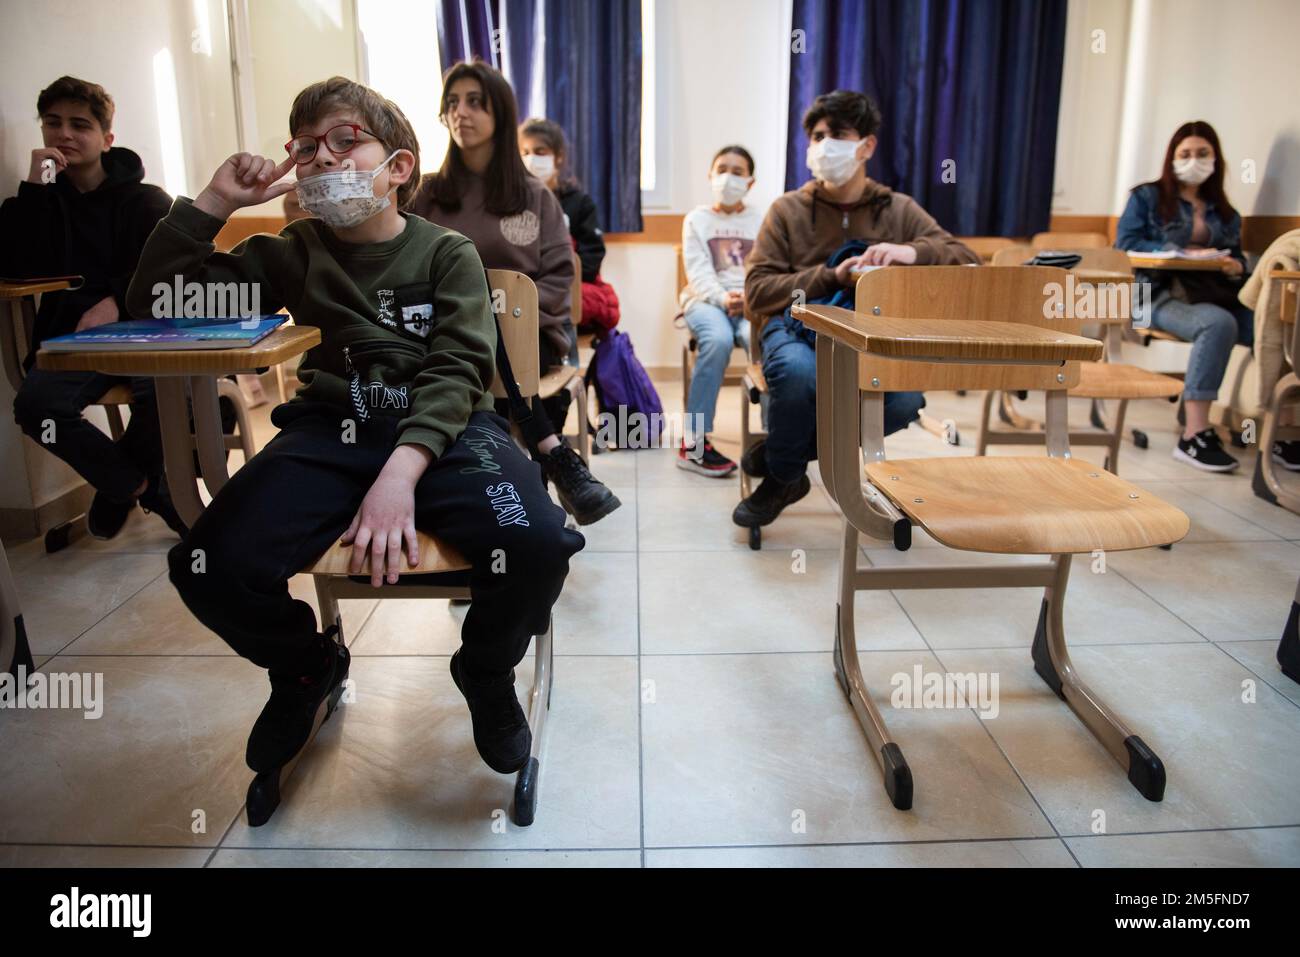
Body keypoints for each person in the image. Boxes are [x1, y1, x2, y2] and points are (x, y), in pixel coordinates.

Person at [129, 76, 584, 778]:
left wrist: (401, 471)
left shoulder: (445, 253)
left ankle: (485, 671)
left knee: (540, 545)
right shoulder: (291, 250)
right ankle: (307, 668)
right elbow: (160, 301)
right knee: (206, 565)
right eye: (306, 149)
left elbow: (461, 364)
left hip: (453, 430)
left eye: (346, 141)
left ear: (398, 167)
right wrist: (217, 201)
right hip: (329, 430)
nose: (323, 159)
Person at [737, 89, 978, 528]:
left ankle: (783, 458)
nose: (824, 144)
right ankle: (785, 476)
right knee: (800, 376)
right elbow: (757, 291)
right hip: (797, 327)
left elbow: (965, 258)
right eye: (816, 135)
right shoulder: (787, 210)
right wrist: (830, 276)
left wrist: (913, 252)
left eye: (837, 134)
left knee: (905, 401)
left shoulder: (898, 209)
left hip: (874, 335)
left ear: (866, 145)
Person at [412, 62, 620, 525]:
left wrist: (507, 308)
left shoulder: (533, 195)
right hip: (444, 336)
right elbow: (408, 271)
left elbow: (558, 278)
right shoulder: (426, 194)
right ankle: (551, 456)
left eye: (473, 102)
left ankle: (514, 510)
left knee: (493, 332)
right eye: (451, 103)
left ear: (500, 114)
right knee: (475, 340)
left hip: (528, 337)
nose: (459, 112)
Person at [3, 76, 183, 538]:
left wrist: (117, 301)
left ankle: (119, 486)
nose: (64, 134)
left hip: (148, 330)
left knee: (165, 390)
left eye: (79, 125)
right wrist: (36, 188)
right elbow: (18, 265)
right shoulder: (41, 200)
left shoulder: (146, 200)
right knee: (37, 407)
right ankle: (141, 486)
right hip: (73, 338)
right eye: (52, 123)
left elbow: (174, 270)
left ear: (106, 138)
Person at [1116, 120, 1288, 472]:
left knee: (1277, 328)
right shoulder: (1146, 197)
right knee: (1218, 324)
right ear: (1172, 157)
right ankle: (1194, 434)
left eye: (1202, 153)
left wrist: (1234, 266)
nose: (1194, 160)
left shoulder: (1226, 212)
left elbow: (1238, 256)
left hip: (1214, 293)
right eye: (1185, 153)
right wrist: (1179, 252)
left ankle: (1280, 432)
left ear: (1215, 158)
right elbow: (1126, 247)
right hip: (1153, 295)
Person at [675, 144, 764, 476]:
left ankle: (775, 437)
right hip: (705, 300)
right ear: (710, 176)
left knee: (764, 340)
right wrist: (722, 298)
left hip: (751, 302)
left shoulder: (761, 219)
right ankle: (694, 445)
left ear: (751, 181)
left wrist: (749, 298)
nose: (728, 177)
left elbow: (767, 268)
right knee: (718, 340)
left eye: (737, 172)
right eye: (722, 169)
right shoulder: (697, 219)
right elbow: (697, 271)